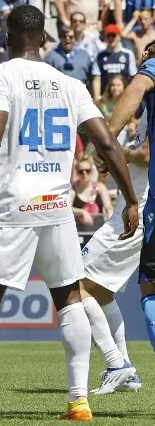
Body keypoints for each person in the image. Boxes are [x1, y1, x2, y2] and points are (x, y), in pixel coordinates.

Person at [0, 5, 138, 422]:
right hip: (57, 208)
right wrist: (128, 199)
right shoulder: (71, 85)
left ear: (6, 36)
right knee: (70, 298)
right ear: (44, 39)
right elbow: (108, 144)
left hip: (11, 207)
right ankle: (78, 401)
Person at [79, 106, 147, 394]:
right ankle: (126, 373)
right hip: (128, 214)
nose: (145, 56)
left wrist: (117, 151)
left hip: (133, 216)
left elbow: (145, 155)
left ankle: (116, 363)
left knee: (74, 284)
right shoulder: (147, 114)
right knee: (101, 291)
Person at [103, 40, 155, 386]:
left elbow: (137, 86)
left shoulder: (147, 78)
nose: (144, 57)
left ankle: (118, 363)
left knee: (149, 286)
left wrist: (109, 141)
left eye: (149, 52)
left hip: (149, 205)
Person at [71, 158, 113, 227]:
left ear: (92, 172)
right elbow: (67, 208)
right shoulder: (72, 189)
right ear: (77, 172)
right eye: (81, 171)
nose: (84, 173)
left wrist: (111, 221)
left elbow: (108, 207)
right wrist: (83, 212)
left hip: (98, 230)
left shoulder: (100, 187)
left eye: (87, 171)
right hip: (78, 231)